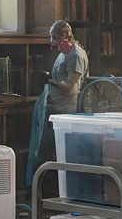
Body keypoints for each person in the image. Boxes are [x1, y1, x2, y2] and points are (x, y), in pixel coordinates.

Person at [32, 19, 90, 179]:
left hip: (64, 109)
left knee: (52, 149)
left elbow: (70, 87)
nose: (51, 41)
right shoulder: (64, 53)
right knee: (46, 147)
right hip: (55, 105)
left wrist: (49, 80)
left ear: (64, 36)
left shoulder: (75, 55)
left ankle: (53, 185)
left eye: (54, 37)